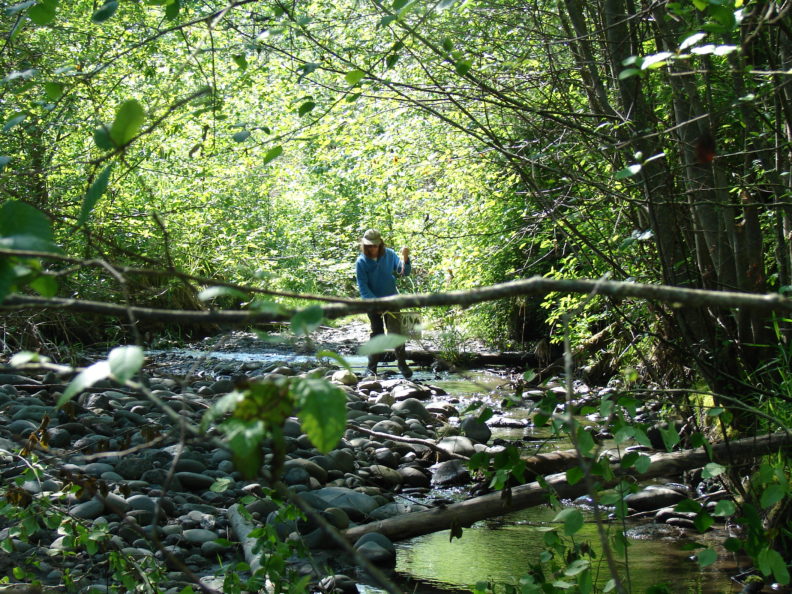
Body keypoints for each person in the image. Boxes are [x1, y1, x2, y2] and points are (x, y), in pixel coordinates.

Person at [355, 228, 413, 378]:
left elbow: (403, 272)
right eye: (369, 246)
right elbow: (363, 287)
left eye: (375, 245)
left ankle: (402, 364)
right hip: (372, 303)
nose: (373, 248)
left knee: (396, 332)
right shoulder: (361, 262)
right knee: (377, 333)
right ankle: (371, 367)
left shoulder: (390, 254)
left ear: (380, 244)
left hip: (392, 300)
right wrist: (376, 304)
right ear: (365, 246)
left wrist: (405, 258)